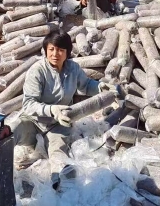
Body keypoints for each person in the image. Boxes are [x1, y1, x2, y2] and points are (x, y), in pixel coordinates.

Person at [15, 31, 118, 189]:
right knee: (11, 131)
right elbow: (29, 104)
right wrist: (52, 110)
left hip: (58, 124)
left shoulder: (73, 68)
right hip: (33, 120)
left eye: (60, 50)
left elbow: (85, 85)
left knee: (59, 157)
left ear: (67, 52)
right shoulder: (37, 71)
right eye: (51, 49)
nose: (55, 54)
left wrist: (99, 87)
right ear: (45, 50)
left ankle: (57, 185)